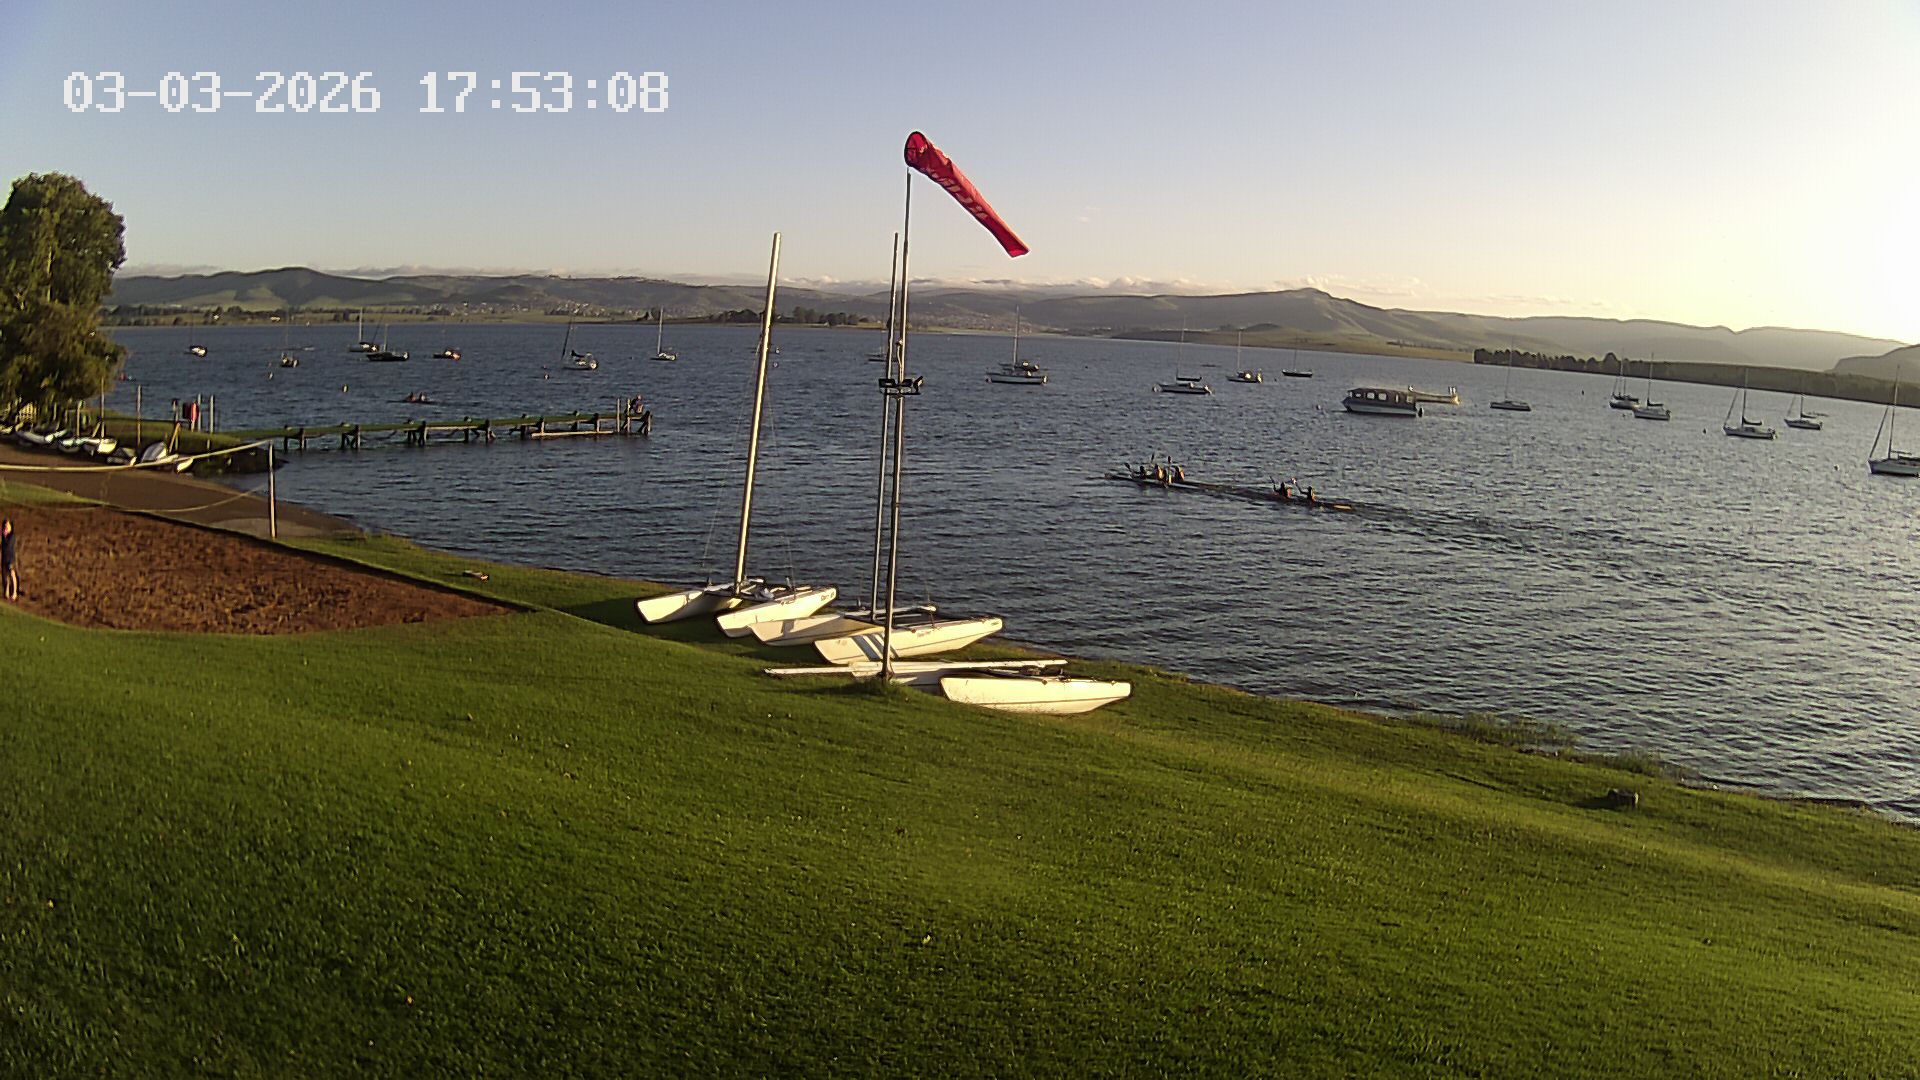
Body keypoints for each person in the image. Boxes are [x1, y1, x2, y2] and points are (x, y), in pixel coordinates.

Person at [2, 519, 16, 602]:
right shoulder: (3, 537)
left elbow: (9, 546)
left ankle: (14, 593)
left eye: (7, 526)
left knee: (12, 574)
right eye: (5, 526)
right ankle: (6, 592)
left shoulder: (12, 537)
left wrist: (4, 536)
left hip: (10, 559)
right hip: (4, 558)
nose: (6, 528)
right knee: (5, 576)